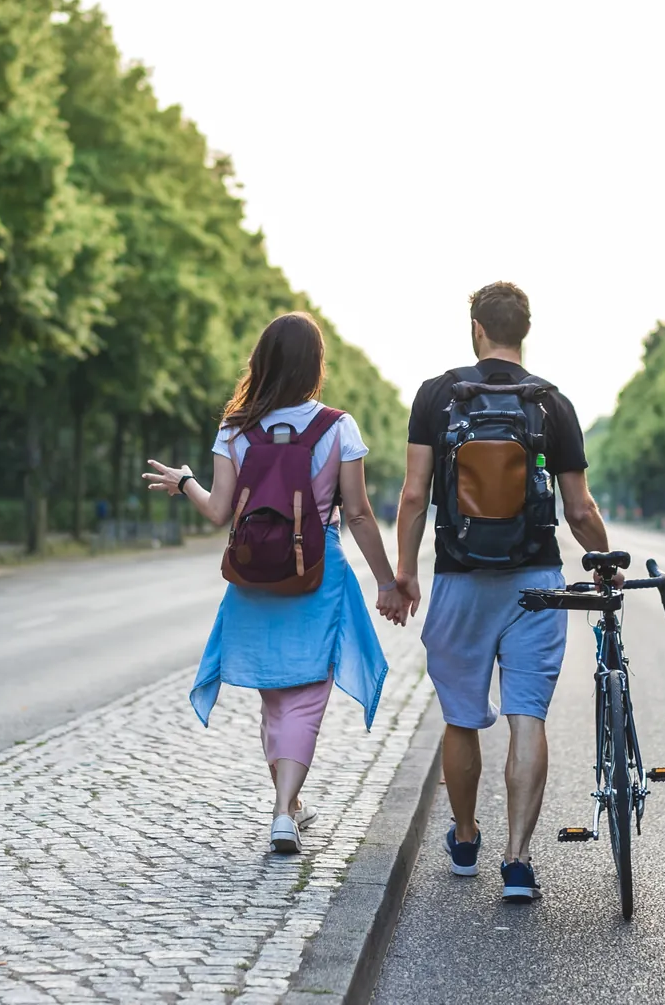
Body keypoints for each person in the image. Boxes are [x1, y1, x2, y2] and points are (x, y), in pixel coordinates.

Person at [144, 311, 413, 855]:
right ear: (316, 365)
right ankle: (283, 811)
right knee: (307, 693)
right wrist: (388, 580)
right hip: (316, 572)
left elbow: (219, 511)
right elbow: (358, 514)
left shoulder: (235, 428)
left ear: (262, 361)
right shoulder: (339, 427)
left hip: (254, 574)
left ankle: (288, 806)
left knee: (275, 693)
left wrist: (185, 482)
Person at [391, 281, 610, 902]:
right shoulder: (552, 404)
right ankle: (517, 862)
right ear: (525, 331)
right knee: (527, 718)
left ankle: (465, 840)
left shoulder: (437, 395)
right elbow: (579, 507)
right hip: (534, 582)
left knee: (461, 718)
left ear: (477, 330)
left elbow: (413, 495)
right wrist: (602, 563)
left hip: (459, 579)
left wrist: (405, 573)